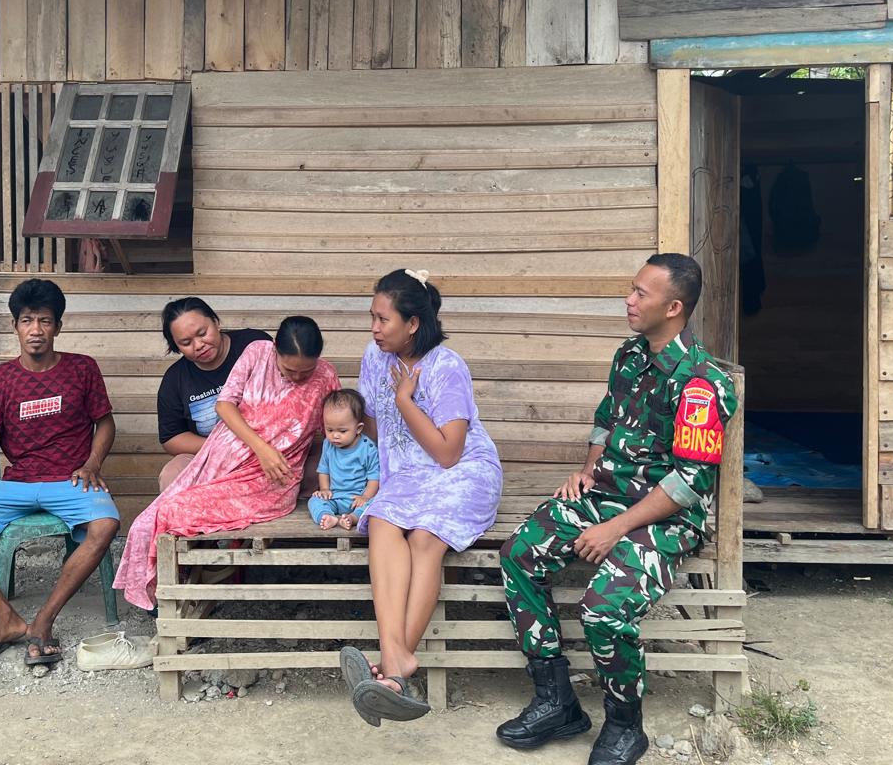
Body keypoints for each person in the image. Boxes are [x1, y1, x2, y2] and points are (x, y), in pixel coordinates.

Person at [496, 254, 737, 765]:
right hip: (605, 494)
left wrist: (615, 528)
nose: (629, 300)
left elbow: (690, 483)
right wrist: (588, 470)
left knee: (602, 610)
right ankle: (557, 702)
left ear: (673, 308)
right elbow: (606, 420)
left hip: (668, 518)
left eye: (641, 294)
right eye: (632, 289)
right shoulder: (629, 355)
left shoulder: (700, 382)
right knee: (519, 553)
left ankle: (626, 725)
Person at [0, 278, 119, 673]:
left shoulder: (82, 368)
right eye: (27, 320)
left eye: (44, 321)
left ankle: (44, 621)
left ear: (58, 326)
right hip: (16, 484)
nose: (36, 330)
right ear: (15, 326)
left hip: (70, 481)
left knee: (106, 525)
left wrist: (92, 463)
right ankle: (5, 617)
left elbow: (105, 423)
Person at [340, 269, 503, 726]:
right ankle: (399, 665)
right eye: (372, 317)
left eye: (383, 320)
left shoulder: (446, 366)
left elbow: (449, 453)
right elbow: (376, 428)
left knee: (426, 538)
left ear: (412, 323)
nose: (374, 328)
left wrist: (406, 401)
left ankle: (391, 665)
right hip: (409, 475)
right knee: (381, 522)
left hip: (463, 473)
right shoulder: (375, 356)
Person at [114, 316, 340, 611]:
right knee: (148, 519)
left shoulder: (326, 376)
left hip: (269, 480)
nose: (297, 378)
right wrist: (262, 448)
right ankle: (172, 591)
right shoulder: (257, 351)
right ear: (275, 348)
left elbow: (337, 432)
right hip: (221, 457)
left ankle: (178, 587)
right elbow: (224, 405)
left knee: (170, 512)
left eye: (305, 372)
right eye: (289, 370)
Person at [155, 297, 269, 491]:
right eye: (186, 342)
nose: (198, 345)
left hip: (270, 443)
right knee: (173, 473)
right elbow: (171, 437)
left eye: (202, 333)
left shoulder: (253, 344)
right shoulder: (175, 380)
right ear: (176, 346)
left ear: (216, 322)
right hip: (213, 456)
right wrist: (223, 446)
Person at [309, 388, 380, 531]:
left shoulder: (368, 448)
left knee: (374, 504)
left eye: (342, 431)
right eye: (330, 430)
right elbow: (324, 470)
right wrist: (324, 489)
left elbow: (374, 478)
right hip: (334, 497)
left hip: (358, 499)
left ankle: (352, 518)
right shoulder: (328, 445)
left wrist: (365, 497)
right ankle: (327, 516)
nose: (335, 436)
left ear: (358, 428)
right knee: (314, 501)